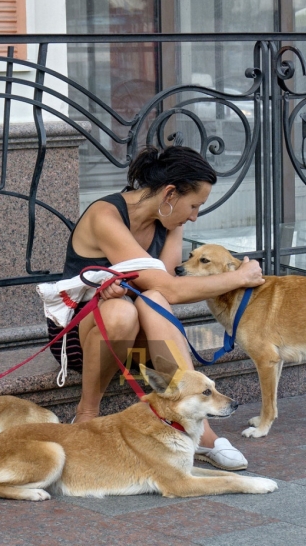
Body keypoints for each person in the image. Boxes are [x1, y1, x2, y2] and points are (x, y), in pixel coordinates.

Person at [47, 145, 264, 470]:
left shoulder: (170, 222)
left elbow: (159, 290)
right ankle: (86, 415)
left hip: (140, 336)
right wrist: (240, 277)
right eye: (194, 205)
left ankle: (201, 431)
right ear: (170, 194)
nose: (194, 215)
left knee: (150, 300)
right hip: (81, 336)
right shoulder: (105, 216)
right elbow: (172, 289)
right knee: (123, 311)